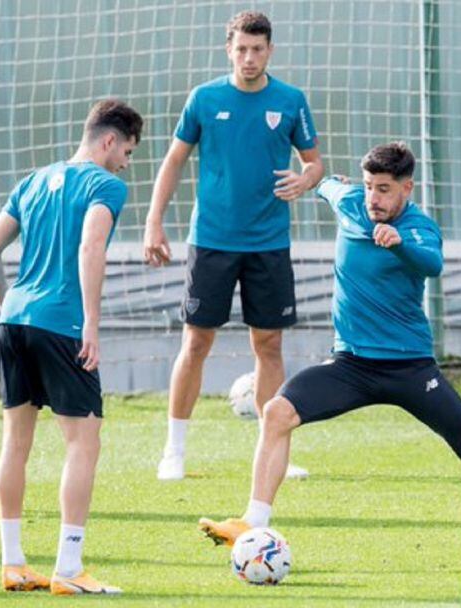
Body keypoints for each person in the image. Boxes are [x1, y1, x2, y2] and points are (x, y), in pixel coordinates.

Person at [196, 142, 461, 560]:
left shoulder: (419, 228)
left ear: (406, 188)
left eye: (383, 189)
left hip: (410, 369)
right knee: (276, 412)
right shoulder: (350, 201)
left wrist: (398, 244)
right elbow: (327, 184)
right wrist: (315, 181)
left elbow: (431, 264)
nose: (373, 199)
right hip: (351, 365)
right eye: (368, 187)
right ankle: (253, 523)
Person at [142, 10, 324, 481]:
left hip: (268, 243)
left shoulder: (290, 100)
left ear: (270, 51)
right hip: (212, 241)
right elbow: (174, 160)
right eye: (241, 49)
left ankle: (272, 452)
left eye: (257, 50)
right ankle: (174, 451)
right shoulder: (205, 98)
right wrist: (153, 222)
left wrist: (306, 180)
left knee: (268, 344)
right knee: (197, 341)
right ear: (229, 49)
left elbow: (315, 164)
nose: (248, 58)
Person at [0, 99, 142, 594]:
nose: (126, 164)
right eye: (128, 152)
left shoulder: (32, 181)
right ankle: (68, 569)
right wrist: (90, 321)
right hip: (63, 324)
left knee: (16, 443)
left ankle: (14, 564)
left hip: (15, 321)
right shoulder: (105, 185)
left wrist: (12, 308)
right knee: (83, 442)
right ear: (109, 140)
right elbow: (91, 246)